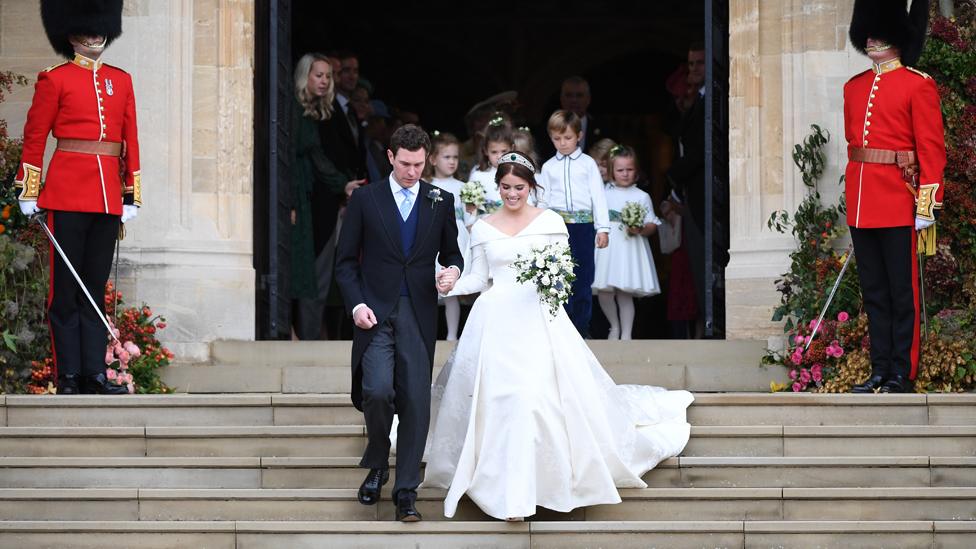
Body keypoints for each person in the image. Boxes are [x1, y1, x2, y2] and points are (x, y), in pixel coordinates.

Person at [424, 151, 692, 521]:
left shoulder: (550, 221)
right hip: (494, 321)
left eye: (519, 187)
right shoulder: (483, 226)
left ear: (531, 187)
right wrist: (451, 283)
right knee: (500, 401)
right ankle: (505, 492)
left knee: (535, 398)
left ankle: (539, 486)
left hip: (537, 318)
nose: (511, 194)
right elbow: (479, 277)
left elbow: (562, 275)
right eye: (505, 187)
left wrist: (549, 283)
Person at [334, 124, 464, 522]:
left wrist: (452, 273)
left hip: (420, 312)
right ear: (390, 157)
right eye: (405, 164)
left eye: (419, 164)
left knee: (415, 402)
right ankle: (377, 463)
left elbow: (453, 253)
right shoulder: (366, 199)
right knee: (375, 392)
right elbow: (344, 263)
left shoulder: (440, 200)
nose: (412, 172)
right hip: (373, 313)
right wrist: (356, 305)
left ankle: (405, 492)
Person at [14, 0, 134, 395]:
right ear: (71, 34)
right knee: (66, 291)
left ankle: (94, 376)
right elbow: (35, 138)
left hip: (107, 199)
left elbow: (130, 141)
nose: (96, 34)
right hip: (66, 195)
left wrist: (131, 194)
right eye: (87, 29)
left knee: (94, 288)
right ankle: (68, 377)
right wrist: (29, 189)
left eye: (99, 28)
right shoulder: (55, 79)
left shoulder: (122, 80)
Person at [846, 0, 944, 394]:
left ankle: (902, 372)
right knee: (875, 294)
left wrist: (927, 203)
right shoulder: (853, 88)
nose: (870, 38)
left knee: (903, 293)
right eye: (868, 31)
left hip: (899, 201)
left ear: (898, 39)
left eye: (879, 32)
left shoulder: (918, 85)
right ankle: (879, 370)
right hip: (862, 203)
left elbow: (932, 149)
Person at [289, 53, 366, 340]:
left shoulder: (323, 111)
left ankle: (306, 334)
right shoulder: (295, 109)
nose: (323, 81)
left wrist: (342, 185)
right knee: (302, 267)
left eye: (327, 76)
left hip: (320, 200)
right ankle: (292, 332)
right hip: (303, 199)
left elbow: (321, 157)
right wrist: (291, 202)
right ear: (304, 76)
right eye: (318, 75)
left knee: (318, 270)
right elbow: (301, 157)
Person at [538, 109, 610, 337]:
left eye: (567, 137)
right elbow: (543, 199)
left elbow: (598, 196)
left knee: (583, 276)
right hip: (558, 229)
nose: (562, 143)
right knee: (559, 274)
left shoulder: (588, 164)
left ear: (578, 135)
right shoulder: (549, 167)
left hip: (584, 226)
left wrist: (603, 228)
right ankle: (562, 328)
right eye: (557, 139)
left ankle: (581, 326)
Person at [593, 146, 662, 340]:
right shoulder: (604, 194)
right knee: (605, 290)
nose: (625, 174)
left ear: (636, 171)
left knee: (625, 291)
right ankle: (614, 326)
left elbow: (652, 225)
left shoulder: (642, 196)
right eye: (620, 170)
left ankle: (627, 334)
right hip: (609, 245)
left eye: (629, 169)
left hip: (630, 246)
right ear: (612, 171)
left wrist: (640, 229)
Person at [665, 41, 707, 338]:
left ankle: (708, 325)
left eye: (699, 64)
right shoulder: (698, 103)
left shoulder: (711, 99)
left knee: (702, 262)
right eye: (690, 64)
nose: (693, 70)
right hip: (692, 194)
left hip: (705, 194)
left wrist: (671, 176)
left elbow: (698, 151)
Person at [424, 131, 471, 341]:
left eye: (455, 157)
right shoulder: (425, 185)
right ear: (433, 159)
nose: (452, 162)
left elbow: (469, 216)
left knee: (451, 288)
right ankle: (427, 334)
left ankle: (452, 335)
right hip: (431, 239)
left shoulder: (463, 187)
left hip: (456, 238)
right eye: (447, 157)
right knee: (428, 287)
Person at [465, 117, 514, 218]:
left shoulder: (519, 172)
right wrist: (470, 226)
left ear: (512, 148)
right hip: (486, 227)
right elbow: (469, 205)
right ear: (486, 151)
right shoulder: (477, 175)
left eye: (504, 151)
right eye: (494, 152)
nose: (499, 156)